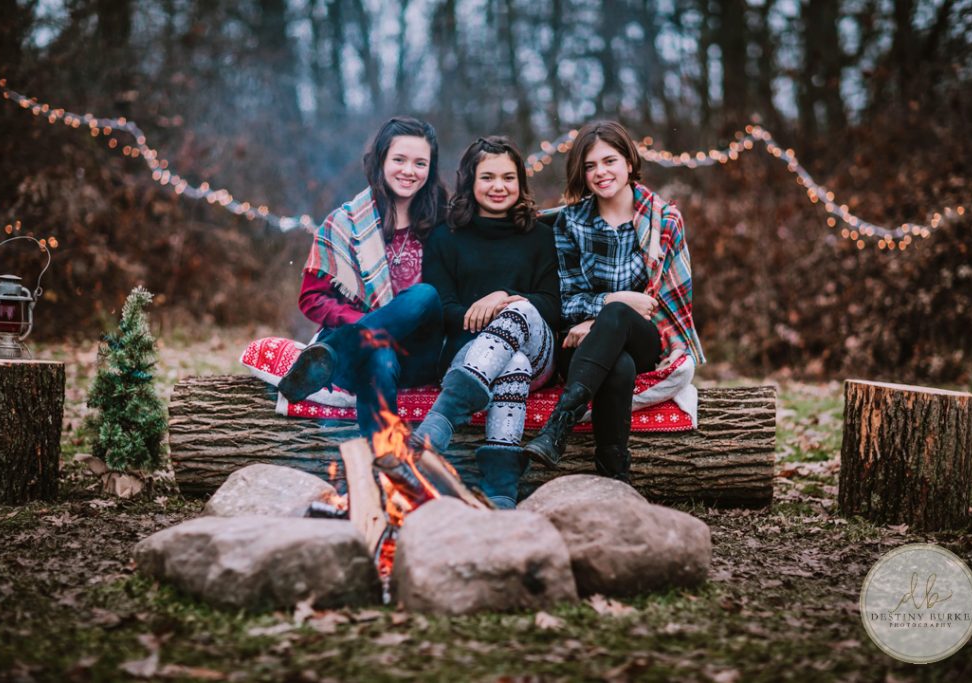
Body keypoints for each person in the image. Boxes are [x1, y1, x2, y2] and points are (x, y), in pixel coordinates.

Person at [523, 120, 705, 482]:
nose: (600, 173)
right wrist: (612, 302)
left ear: (628, 161)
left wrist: (607, 311)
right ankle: (614, 476)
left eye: (609, 161)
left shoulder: (664, 220)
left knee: (620, 317)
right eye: (590, 166)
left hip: (643, 338)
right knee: (617, 364)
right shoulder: (570, 224)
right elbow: (567, 302)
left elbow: (657, 304)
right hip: (579, 342)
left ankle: (558, 425)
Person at [411, 136, 560, 508]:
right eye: (488, 177)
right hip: (467, 353)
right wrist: (480, 315)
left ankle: (443, 419)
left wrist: (499, 300)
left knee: (523, 311)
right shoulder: (445, 237)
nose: (499, 187)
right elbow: (442, 308)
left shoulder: (541, 236)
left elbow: (554, 306)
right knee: (514, 363)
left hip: (538, 346)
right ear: (470, 182)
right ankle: (501, 486)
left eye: (508, 178)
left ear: (521, 183)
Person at [277, 117, 448, 438]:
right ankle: (384, 460)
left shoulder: (444, 221)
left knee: (425, 295)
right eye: (399, 159)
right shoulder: (344, 223)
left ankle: (339, 347)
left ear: (430, 168)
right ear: (381, 159)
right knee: (377, 352)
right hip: (369, 355)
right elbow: (312, 298)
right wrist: (364, 320)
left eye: (420, 163)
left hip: (421, 353)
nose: (409, 171)